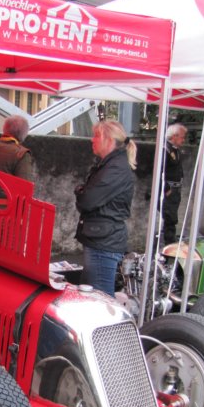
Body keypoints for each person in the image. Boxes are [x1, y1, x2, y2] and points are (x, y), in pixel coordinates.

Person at [74, 120, 136, 295]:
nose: (92, 140)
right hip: (101, 238)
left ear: (108, 140)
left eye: (96, 136)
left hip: (104, 242)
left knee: (100, 299)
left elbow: (87, 200)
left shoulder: (115, 168)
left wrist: (80, 192)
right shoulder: (110, 165)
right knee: (92, 297)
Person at [157, 123, 188, 244]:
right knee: (170, 219)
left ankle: (169, 241)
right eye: (181, 137)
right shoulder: (166, 150)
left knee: (172, 218)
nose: (183, 140)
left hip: (175, 190)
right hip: (169, 190)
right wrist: (166, 188)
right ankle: (169, 244)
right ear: (174, 136)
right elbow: (159, 171)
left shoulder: (175, 150)